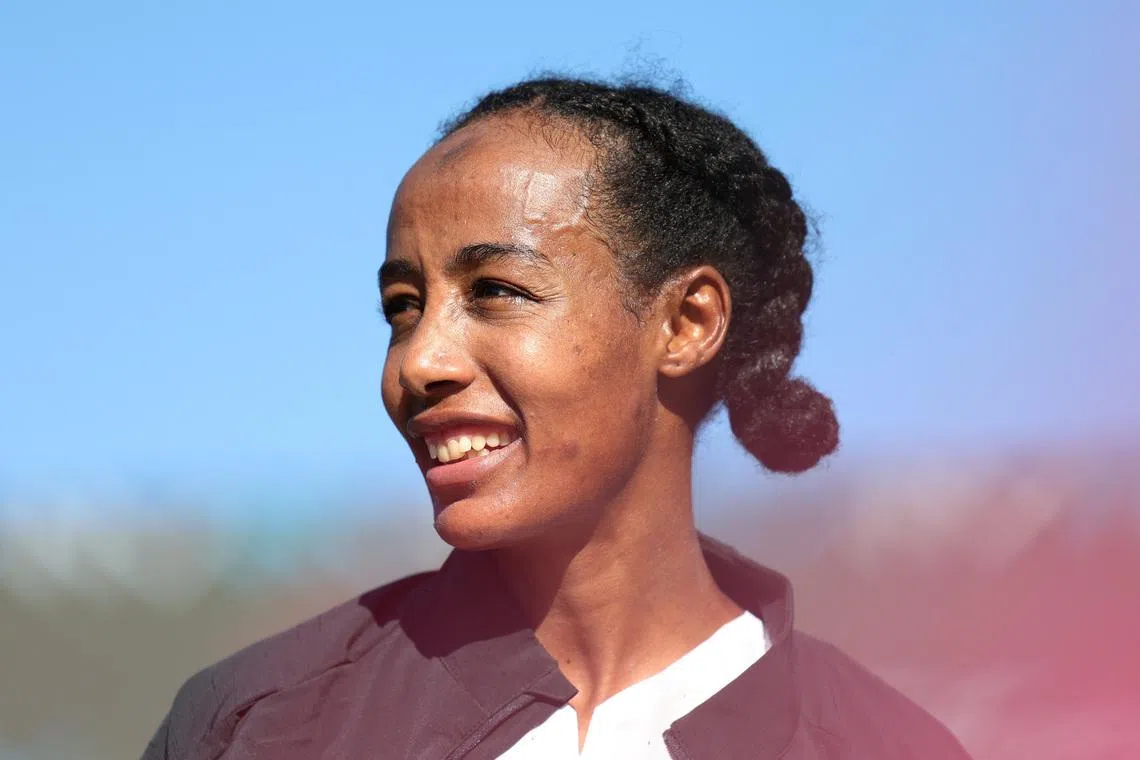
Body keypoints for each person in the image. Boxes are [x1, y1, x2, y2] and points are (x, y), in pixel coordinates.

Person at [141, 77, 972, 759]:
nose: (420, 361)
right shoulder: (257, 727)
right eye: (403, 305)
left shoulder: (886, 747)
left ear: (686, 324)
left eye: (496, 291)